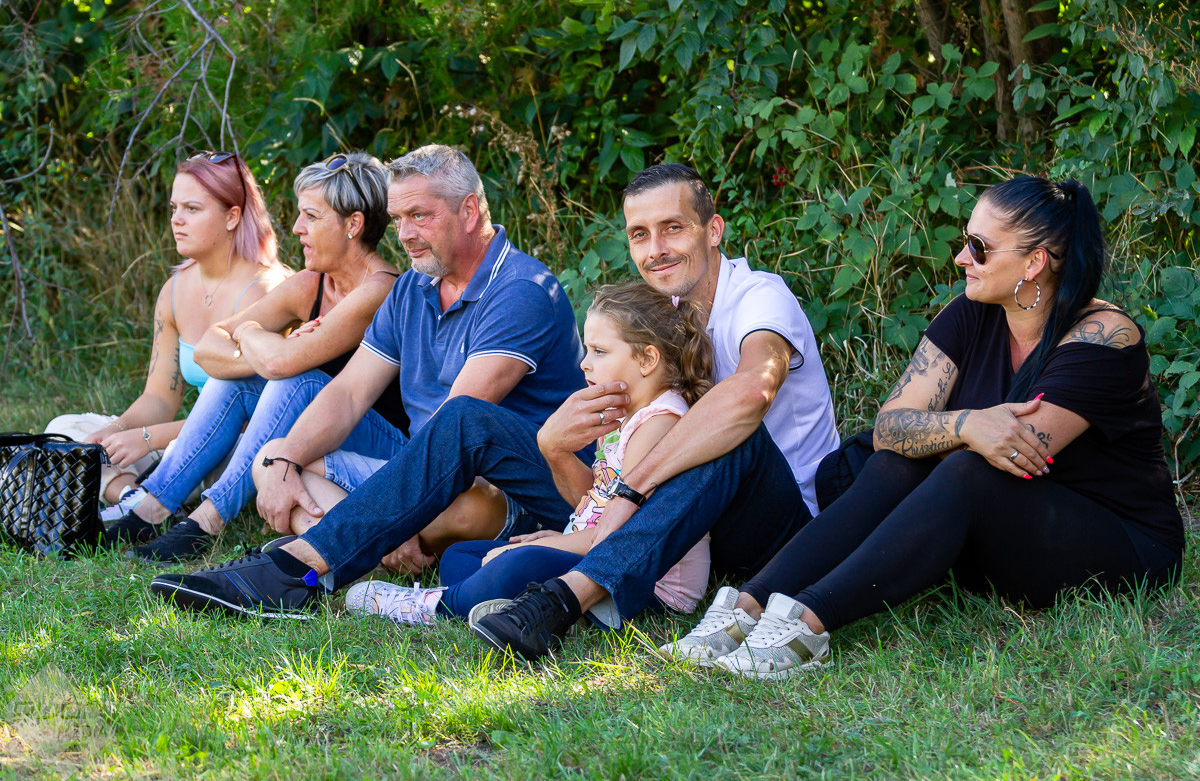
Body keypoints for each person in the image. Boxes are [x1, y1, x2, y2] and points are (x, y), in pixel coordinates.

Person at [147, 163, 839, 643]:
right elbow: (603, 477)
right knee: (465, 420)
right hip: (638, 515)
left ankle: (561, 599)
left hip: (764, 523)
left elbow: (748, 395)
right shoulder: (658, 316)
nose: (655, 250)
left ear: (713, 231)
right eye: (639, 233)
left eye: (674, 229)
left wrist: (628, 485)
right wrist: (556, 450)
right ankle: (298, 568)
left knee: (727, 432)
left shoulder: (757, 296)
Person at [660, 176, 1184, 680]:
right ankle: (748, 605)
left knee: (964, 471)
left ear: (1035, 262)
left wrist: (948, 436)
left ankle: (808, 623)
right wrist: (966, 424)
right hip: (1004, 532)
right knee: (898, 461)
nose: (961, 258)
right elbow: (889, 428)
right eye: (966, 242)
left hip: (1117, 543)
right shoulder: (973, 311)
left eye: (979, 248)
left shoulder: (1102, 337)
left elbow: (1017, 454)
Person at [147, 144, 585, 611]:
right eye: (399, 219)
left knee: (460, 476)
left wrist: (397, 509)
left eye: (420, 216)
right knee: (273, 460)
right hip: (424, 468)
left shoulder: (519, 290)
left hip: (512, 490)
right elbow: (349, 392)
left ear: (470, 211)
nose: (406, 235)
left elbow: (454, 436)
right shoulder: (413, 287)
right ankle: (367, 548)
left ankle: (294, 569)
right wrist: (286, 461)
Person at [342, 282, 715, 626]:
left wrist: (555, 545)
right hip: (597, 552)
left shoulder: (658, 423)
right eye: (587, 350)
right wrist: (564, 532)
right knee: (462, 556)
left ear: (647, 359)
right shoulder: (623, 413)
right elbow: (597, 501)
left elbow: (623, 537)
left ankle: (435, 607)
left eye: (600, 352)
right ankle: (502, 601)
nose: (585, 363)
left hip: (645, 584)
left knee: (515, 563)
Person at [104, 152, 407, 563]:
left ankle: (207, 522)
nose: (297, 228)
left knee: (296, 379)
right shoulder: (312, 284)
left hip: (387, 448)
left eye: (311, 216)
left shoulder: (380, 289)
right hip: (324, 432)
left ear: (353, 225)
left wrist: (248, 334)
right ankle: (152, 507)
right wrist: (264, 354)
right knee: (237, 379)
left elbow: (281, 365)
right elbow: (210, 348)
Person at [48, 151, 286, 510]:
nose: (177, 219)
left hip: (238, 447)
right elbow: (159, 398)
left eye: (192, 209)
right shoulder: (174, 290)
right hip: (180, 437)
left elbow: (256, 419)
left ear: (232, 216)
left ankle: (137, 495)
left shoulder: (265, 292)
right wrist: (117, 432)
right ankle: (130, 496)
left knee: (196, 450)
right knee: (64, 429)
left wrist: (148, 438)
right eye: (174, 208)